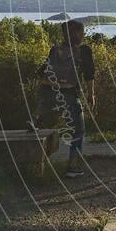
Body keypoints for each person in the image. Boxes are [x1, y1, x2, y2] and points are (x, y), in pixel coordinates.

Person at [30, 19, 95, 178]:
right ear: (79, 33)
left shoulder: (55, 49)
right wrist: (91, 95)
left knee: (45, 124)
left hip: (48, 93)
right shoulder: (84, 50)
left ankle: (36, 118)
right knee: (78, 130)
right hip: (69, 93)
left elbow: (42, 72)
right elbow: (89, 74)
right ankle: (73, 167)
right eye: (82, 31)